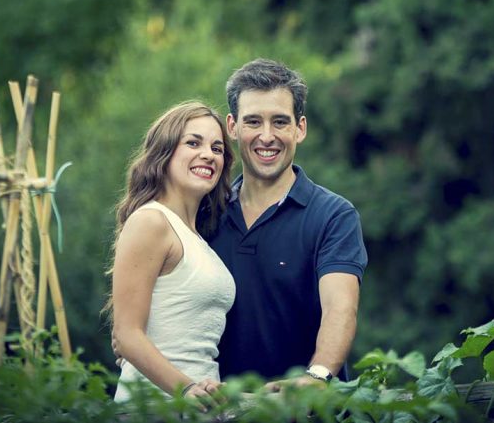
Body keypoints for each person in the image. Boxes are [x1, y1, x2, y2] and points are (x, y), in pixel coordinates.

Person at [210, 58, 368, 387]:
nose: (267, 136)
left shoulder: (333, 216)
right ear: (232, 126)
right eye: (253, 121)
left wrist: (318, 375)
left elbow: (340, 309)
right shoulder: (206, 211)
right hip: (222, 410)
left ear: (300, 128)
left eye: (280, 122)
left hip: (305, 410)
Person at [106, 101, 236, 406]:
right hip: (154, 408)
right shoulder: (151, 221)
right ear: (164, 153)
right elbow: (127, 335)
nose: (208, 154)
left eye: (217, 149)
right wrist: (187, 389)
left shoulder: (198, 238)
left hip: (202, 408)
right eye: (193, 142)